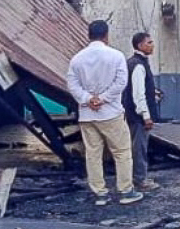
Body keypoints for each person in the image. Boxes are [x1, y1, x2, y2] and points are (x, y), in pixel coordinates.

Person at [66, 20, 143, 206]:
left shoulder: (77, 59)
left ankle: (100, 194)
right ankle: (125, 191)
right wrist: (103, 98)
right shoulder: (116, 56)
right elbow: (121, 82)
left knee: (93, 154)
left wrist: (87, 98)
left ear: (88, 35)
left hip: (87, 115)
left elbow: (72, 84)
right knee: (122, 152)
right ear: (106, 35)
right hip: (111, 113)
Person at [122, 32, 160, 192]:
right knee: (140, 147)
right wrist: (146, 115)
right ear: (140, 46)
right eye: (149, 42)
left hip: (131, 113)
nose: (152, 45)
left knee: (136, 146)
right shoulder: (138, 65)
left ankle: (137, 176)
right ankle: (140, 179)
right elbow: (138, 93)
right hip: (138, 116)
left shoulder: (133, 63)